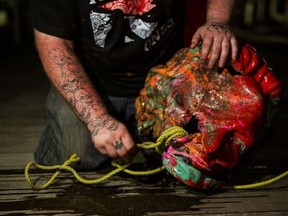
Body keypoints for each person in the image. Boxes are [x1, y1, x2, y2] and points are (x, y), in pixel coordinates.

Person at [30, 0, 238, 169]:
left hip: (163, 80)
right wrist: (98, 121)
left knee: (194, 156)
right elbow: (55, 45)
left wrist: (217, 20)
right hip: (91, 82)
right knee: (74, 155)